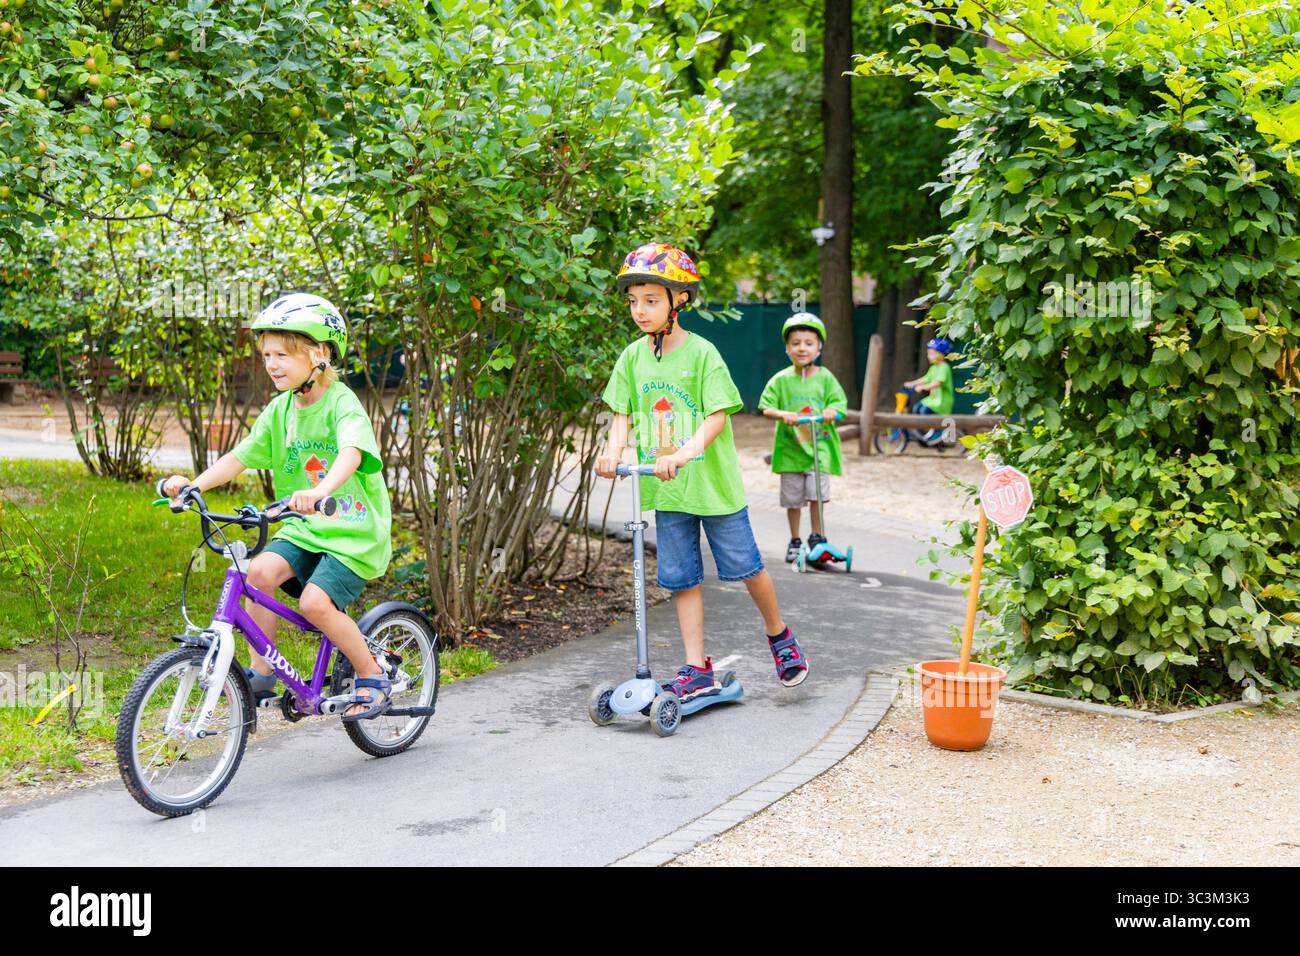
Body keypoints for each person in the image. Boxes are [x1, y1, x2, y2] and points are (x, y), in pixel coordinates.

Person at [160, 293, 394, 721]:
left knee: (314, 605)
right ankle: (262, 674)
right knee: (258, 572)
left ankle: (372, 673)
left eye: (283, 354)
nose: (272, 363)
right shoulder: (280, 409)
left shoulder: (341, 402)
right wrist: (193, 484)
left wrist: (321, 488)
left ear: (319, 354)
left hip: (352, 531)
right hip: (304, 527)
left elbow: (352, 453)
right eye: (267, 354)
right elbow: (240, 457)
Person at [595, 243, 809, 696]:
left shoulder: (702, 354)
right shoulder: (632, 358)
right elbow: (621, 413)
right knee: (681, 577)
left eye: (651, 300)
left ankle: (779, 634)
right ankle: (696, 667)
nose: (640, 310)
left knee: (746, 566)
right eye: (633, 301)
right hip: (667, 490)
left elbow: (717, 415)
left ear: (679, 300)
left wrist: (685, 452)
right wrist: (612, 451)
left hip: (711, 486)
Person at [758, 313, 848, 563]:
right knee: (793, 500)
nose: (802, 348)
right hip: (791, 451)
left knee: (817, 496)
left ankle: (817, 537)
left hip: (819, 450)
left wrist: (832, 411)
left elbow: (839, 404)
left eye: (808, 343)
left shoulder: (826, 377)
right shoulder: (781, 380)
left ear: (819, 347)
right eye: (796, 343)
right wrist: (783, 414)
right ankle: (795, 539)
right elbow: (766, 407)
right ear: (787, 348)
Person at [902, 337, 955, 446]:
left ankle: (937, 433)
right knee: (917, 408)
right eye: (928, 353)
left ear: (940, 354)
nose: (928, 356)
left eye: (931, 353)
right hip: (933, 399)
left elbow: (938, 383)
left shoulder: (944, 367)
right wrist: (911, 383)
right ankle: (923, 435)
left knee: (925, 411)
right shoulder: (934, 368)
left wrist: (923, 387)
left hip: (942, 401)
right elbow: (924, 379)